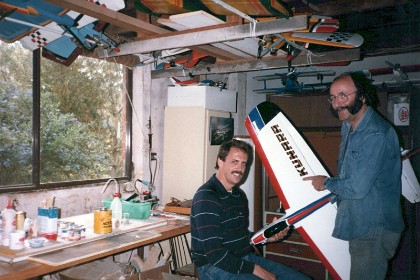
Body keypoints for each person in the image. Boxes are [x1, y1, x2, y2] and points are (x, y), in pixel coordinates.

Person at [304, 72, 404, 280]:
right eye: (333, 98)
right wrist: (334, 194)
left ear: (362, 96)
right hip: (362, 222)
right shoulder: (349, 127)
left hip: (374, 227)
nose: (337, 103)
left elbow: (357, 188)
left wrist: (326, 183)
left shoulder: (374, 133)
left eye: (343, 96)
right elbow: (352, 174)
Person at [191, 139, 310, 280]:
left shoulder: (238, 195)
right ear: (220, 162)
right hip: (214, 267)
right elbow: (215, 254)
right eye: (234, 162)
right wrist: (255, 269)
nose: (240, 169)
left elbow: (240, 235)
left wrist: (266, 236)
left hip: (243, 259)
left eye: (243, 164)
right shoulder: (207, 197)